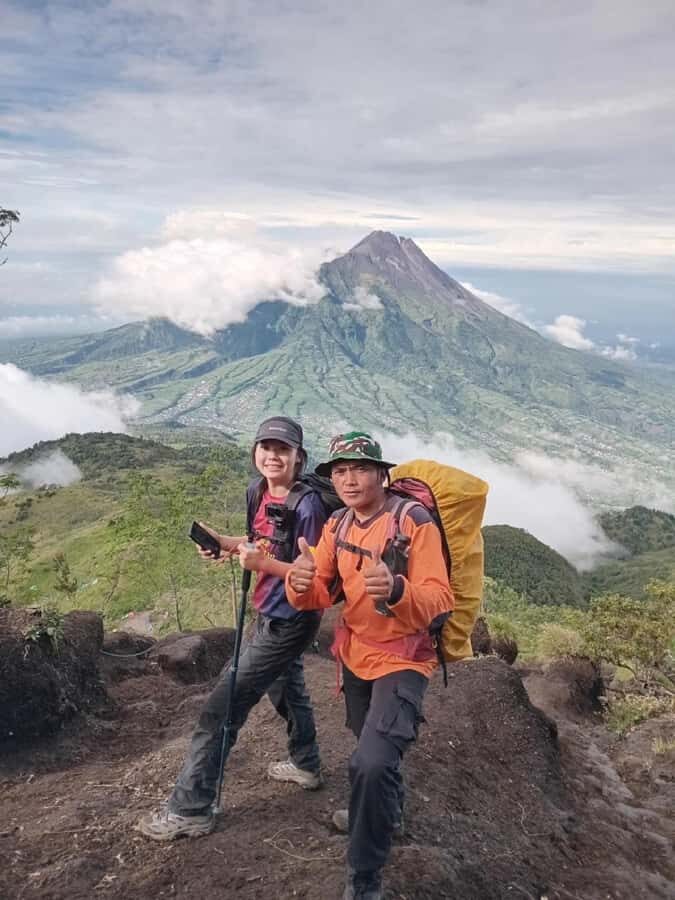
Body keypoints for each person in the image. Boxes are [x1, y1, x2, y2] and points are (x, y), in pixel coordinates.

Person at [138, 416, 327, 841]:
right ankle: (307, 764)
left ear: (299, 456)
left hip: (293, 618)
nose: (273, 456)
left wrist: (264, 565)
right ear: (255, 451)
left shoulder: (309, 505)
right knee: (287, 687)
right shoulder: (257, 490)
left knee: (221, 707)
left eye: (283, 449)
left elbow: (317, 575)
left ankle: (191, 809)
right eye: (266, 447)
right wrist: (225, 544)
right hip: (268, 610)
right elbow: (259, 541)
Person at [285, 431, 454, 900]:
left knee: (371, 762)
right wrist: (298, 581)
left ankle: (364, 878)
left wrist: (397, 590)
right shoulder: (337, 524)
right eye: (340, 471)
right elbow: (319, 590)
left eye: (360, 469)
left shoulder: (412, 521)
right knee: (370, 751)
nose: (349, 479)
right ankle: (386, 814)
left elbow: (440, 599)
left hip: (403, 656)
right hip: (356, 653)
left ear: (382, 475)